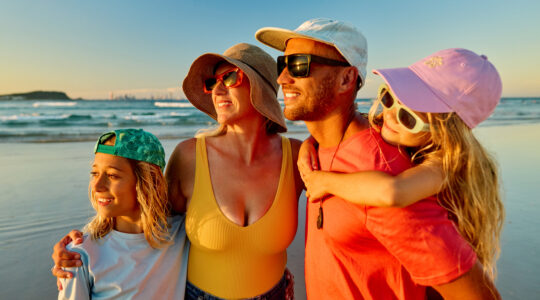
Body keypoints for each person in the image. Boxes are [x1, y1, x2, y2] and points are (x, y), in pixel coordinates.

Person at [256, 18, 500, 299]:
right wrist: (308, 148)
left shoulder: (384, 171)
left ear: (347, 78)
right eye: (282, 64)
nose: (282, 78)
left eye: (299, 65)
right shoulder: (320, 148)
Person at [52, 43, 303, 300]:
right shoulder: (190, 157)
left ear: (261, 87)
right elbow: (149, 220)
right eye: (212, 82)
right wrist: (82, 244)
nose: (217, 89)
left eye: (230, 77)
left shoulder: (296, 156)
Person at [299, 47, 505, 283]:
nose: (390, 115)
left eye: (408, 117)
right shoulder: (397, 129)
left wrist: (325, 181)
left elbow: (393, 191)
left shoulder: (446, 165)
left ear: (445, 133)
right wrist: (310, 143)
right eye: (389, 98)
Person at [57, 128, 189, 300]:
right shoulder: (79, 255)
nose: (97, 186)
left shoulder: (182, 234)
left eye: (112, 175)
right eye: (94, 173)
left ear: (150, 182)